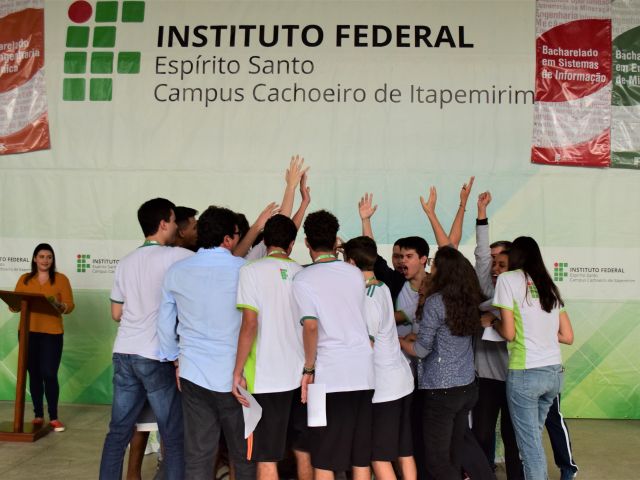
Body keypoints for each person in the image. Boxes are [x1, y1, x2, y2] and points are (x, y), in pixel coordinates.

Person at [157, 206, 255, 480]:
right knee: (244, 455)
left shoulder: (177, 271)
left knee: (199, 456)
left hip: (193, 374)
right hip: (238, 377)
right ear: (230, 238)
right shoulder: (247, 270)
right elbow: (255, 324)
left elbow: (166, 326)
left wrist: (175, 359)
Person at [100, 198, 192, 480]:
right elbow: (220, 258)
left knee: (118, 432)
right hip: (155, 355)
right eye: (175, 221)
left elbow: (116, 313)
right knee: (172, 435)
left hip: (124, 352)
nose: (177, 227)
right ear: (164, 224)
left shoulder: (126, 262)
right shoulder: (176, 256)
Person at [292, 210, 374, 480]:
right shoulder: (353, 273)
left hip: (328, 375)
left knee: (324, 456)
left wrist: (308, 368)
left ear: (307, 242)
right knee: (360, 454)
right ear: (335, 239)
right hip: (363, 372)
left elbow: (311, 327)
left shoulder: (303, 279)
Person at [232, 214, 312, 480]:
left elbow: (249, 324)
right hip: (302, 377)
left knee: (266, 457)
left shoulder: (250, 271)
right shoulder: (303, 274)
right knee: (304, 450)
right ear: (292, 245)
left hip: (265, 379)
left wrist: (237, 370)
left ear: (265, 241)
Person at [492, 236, 574, 480]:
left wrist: (493, 321)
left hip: (526, 374)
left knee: (530, 449)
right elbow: (568, 335)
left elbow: (508, 333)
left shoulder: (508, 280)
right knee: (533, 441)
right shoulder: (548, 285)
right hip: (554, 374)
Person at [400, 246, 482, 480]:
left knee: (437, 462)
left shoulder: (436, 301)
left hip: (441, 390)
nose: (430, 268)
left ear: (442, 270)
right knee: (454, 457)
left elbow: (421, 350)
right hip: (466, 387)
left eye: (434, 264)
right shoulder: (468, 298)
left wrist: (397, 342)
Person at [342, 236, 416, 480]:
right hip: (400, 382)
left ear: (351, 263)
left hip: (385, 388)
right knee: (404, 452)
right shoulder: (381, 286)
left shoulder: (368, 297)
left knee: (378, 457)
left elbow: (367, 347)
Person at [471, 193, 523, 480]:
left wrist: (493, 318)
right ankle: (484, 472)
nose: (493, 267)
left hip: (516, 375)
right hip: (486, 378)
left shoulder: (520, 292)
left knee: (513, 437)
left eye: (500, 263)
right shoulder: (486, 289)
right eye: (491, 262)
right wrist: (481, 214)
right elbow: (480, 253)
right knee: (481, 433)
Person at [13, 243, 74, 432]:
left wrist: (60, 305)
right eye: (41, 257)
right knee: (34, 374)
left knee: (49, 373)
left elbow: (69, 306)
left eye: (49, 257)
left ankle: (54, 417)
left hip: (52, 333)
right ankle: (38, 415)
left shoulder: (61, 279)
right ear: (34, 259)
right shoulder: (24, 279)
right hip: (27, 331)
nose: (45, 260)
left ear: (52, 260)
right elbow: (15, 303)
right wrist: (13, 304)